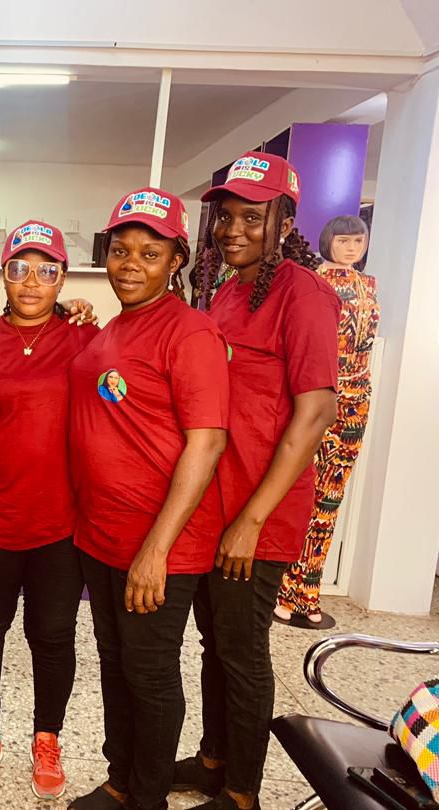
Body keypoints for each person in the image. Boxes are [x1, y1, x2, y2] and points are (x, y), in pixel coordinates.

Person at [174, 153, 339, 810]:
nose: (232, 229)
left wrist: (250, 520)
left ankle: (242, 793)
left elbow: (316, 412)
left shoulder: (304, 293)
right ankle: (215, 759)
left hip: (256, 513)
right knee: (215, 644)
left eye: (252, 216)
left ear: (286, 222)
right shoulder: (229, 289)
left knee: (242, 652)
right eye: (226, 216)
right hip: (214, 502)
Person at [65, 189, 229, 810]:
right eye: (120, 250)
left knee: (150, 672)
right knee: (115, 663)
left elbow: (206, 443)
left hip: (159, 543)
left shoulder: (191, 332)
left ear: (176, 260)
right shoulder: (114, 326)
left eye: (149, 253)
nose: (130, 264)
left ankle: (149, 798)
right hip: (101, 534)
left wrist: (156, 551)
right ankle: (122, 780)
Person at [0, 220, 97, 800]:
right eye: (19, 268)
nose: (32, 282)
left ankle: (47, 738)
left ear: (63, 279)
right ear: (3, 275)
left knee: (52, 634)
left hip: (61, 523)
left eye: (46, 270)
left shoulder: (85, 339)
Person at [274, 215, 378, 629]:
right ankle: (285, 590)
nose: (351, 248)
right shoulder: (315, 283)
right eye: (344, 240)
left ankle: (308, 592)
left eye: (358, 241)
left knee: (329, 502)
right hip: (319, 397)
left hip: (355, 401)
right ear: (328, 241)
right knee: (300, 494)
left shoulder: (369, 285)